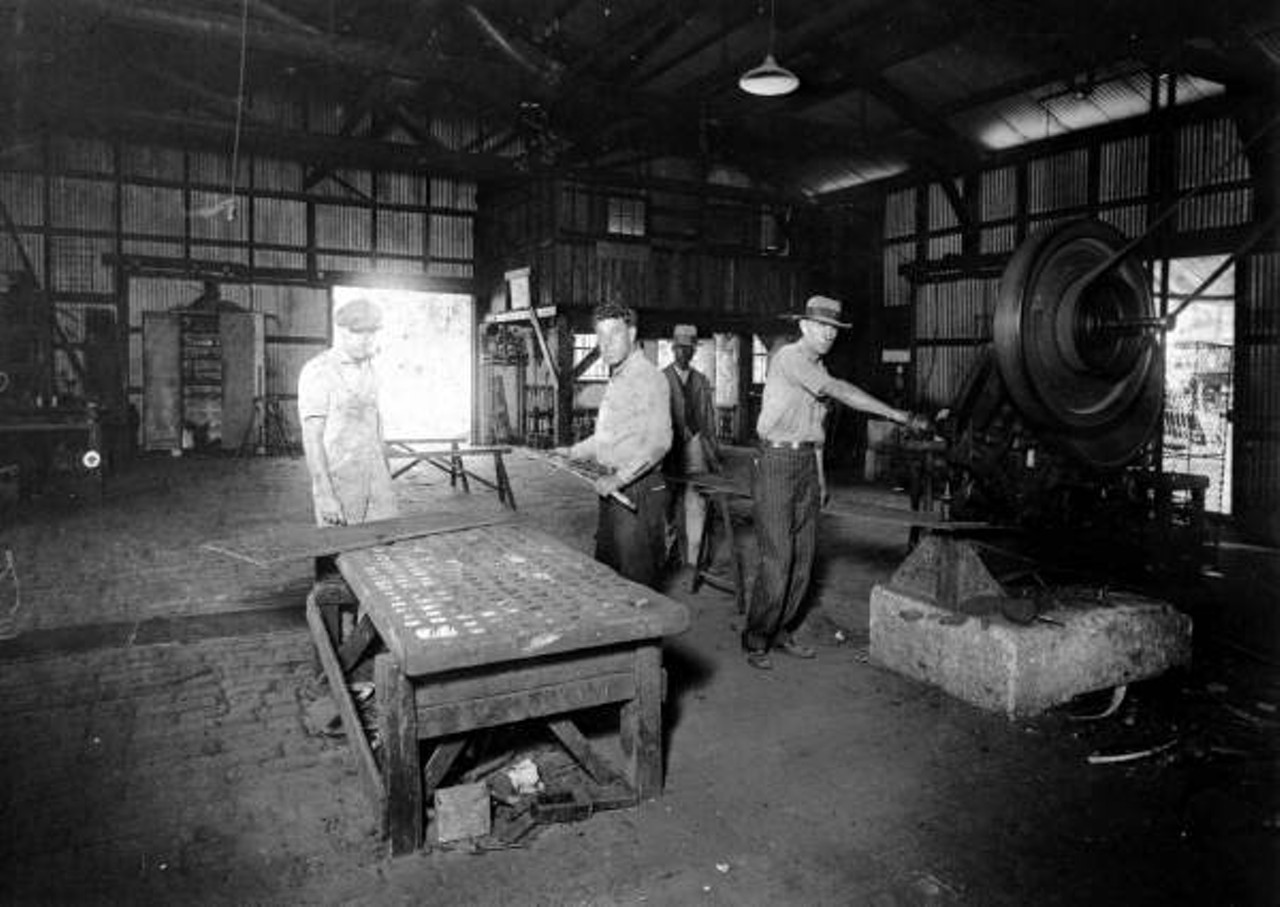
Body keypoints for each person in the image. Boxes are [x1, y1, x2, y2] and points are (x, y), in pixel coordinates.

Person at [743, 295, 928, 671]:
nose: (829, 334)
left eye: (834, 329)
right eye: (822, 327)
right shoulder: (790, 358)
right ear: (804, 327)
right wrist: (897, 415)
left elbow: (816, 434)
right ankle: (757, 637)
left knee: (803, 559)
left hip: (806, 464)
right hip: (777, 462)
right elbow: (841, 391)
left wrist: (821, 478)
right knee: (778, 560)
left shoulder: (818, 366)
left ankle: (782, 630)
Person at [558, 303, 672, 586]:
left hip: (639, 489)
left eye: (614, 335)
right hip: (613, 486)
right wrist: (573, 452)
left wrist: (619, 478)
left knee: (637, 584)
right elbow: (608, 438)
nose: (605, 344)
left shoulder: (648, 377)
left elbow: (660, 443)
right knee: (609, 578)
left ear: (631, 334)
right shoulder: (620, 378)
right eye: (600, 336)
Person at [298, 297, 398, 527]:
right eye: (360, 333)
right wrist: (325, 495)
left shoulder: (371, 369)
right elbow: (312, 438)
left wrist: (385, 475)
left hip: (376, 480)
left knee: (384, 546)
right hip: (339, 483)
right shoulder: (319, 372)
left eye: (372, 333)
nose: (367, 340)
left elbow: (376, 424)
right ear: (342, 331)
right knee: (337, 553)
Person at [663, 324, 721, 568]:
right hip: (668, 446)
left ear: (694, 352)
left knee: (696, 498)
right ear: (672, 349)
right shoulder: (661, 378)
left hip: (696, 445)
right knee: (666, 500)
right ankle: (667, 553)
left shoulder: (701, 380)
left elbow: (708, 418)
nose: (684, 354)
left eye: (689, 350)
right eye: (680, 349)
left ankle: (694, 558)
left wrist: (713, 452)